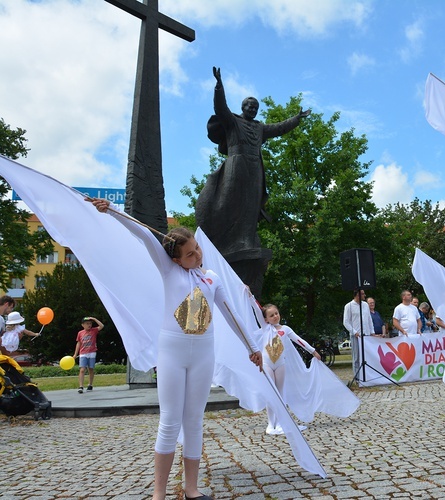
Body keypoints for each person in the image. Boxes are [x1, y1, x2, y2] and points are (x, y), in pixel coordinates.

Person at [89, 197, 262, 500]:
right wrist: (113, 211)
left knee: (194, 420)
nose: (197, 255)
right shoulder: (169, 271)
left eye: (197, 249)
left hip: (203, 354)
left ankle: (191, 490)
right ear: (176, 260)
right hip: (172, 352)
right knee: (170, 420)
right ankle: (159, 494)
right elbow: (143, 234)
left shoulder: (211, 277)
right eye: (190, 254)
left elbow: (231, 313)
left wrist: (251, 347)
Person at [195, 67, 311, 295]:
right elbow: (220, 108)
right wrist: (219, 85)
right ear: (243, 107)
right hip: (235, 166)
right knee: (229, 201)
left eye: (255, 107)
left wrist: (297, 119)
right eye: (249, 105)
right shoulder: (233, 122)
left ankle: (245, 240)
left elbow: (279, 128)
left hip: (254, 169)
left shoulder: (259, 128)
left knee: (250, 207)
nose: (252, 109)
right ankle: (226, 239)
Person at [261, 304, 320, 435]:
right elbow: (254, 307)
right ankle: (271, 424)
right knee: (271, 392)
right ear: (266, 319)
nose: (275, 316)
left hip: (280, 364)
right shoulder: (265, 328)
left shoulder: (286, 329)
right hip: (267, 364)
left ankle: (282, 421)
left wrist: (313, 351)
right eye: (271, 315)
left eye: (276, 313)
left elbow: (299, 340)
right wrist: (250, 296)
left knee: (281, 393)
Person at [343, 290, 374, 381]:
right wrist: (354, 331)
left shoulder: (365, 305)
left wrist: (372, 331)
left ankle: (366, 375)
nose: (365, 295)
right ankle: (357, 377)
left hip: (366, 335)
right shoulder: (349, 306)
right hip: (356, 335)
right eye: (363, 294)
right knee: (356, 357)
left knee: (366, 356)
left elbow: (369, 319)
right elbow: (346, 322)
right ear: (357, 295)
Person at [72, 316, 104, 393]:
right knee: (82, 369)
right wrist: (75, 354)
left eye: (90, 323)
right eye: (87, 324)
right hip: (83, 353)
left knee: (91, 369)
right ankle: (81, 386)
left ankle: (90, 384)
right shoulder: (80, 333)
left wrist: (94, 319)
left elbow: (102, 326)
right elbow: (78, 343)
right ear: (83, 325)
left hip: (92, 352)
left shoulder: (94, 330)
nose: (89, 325)